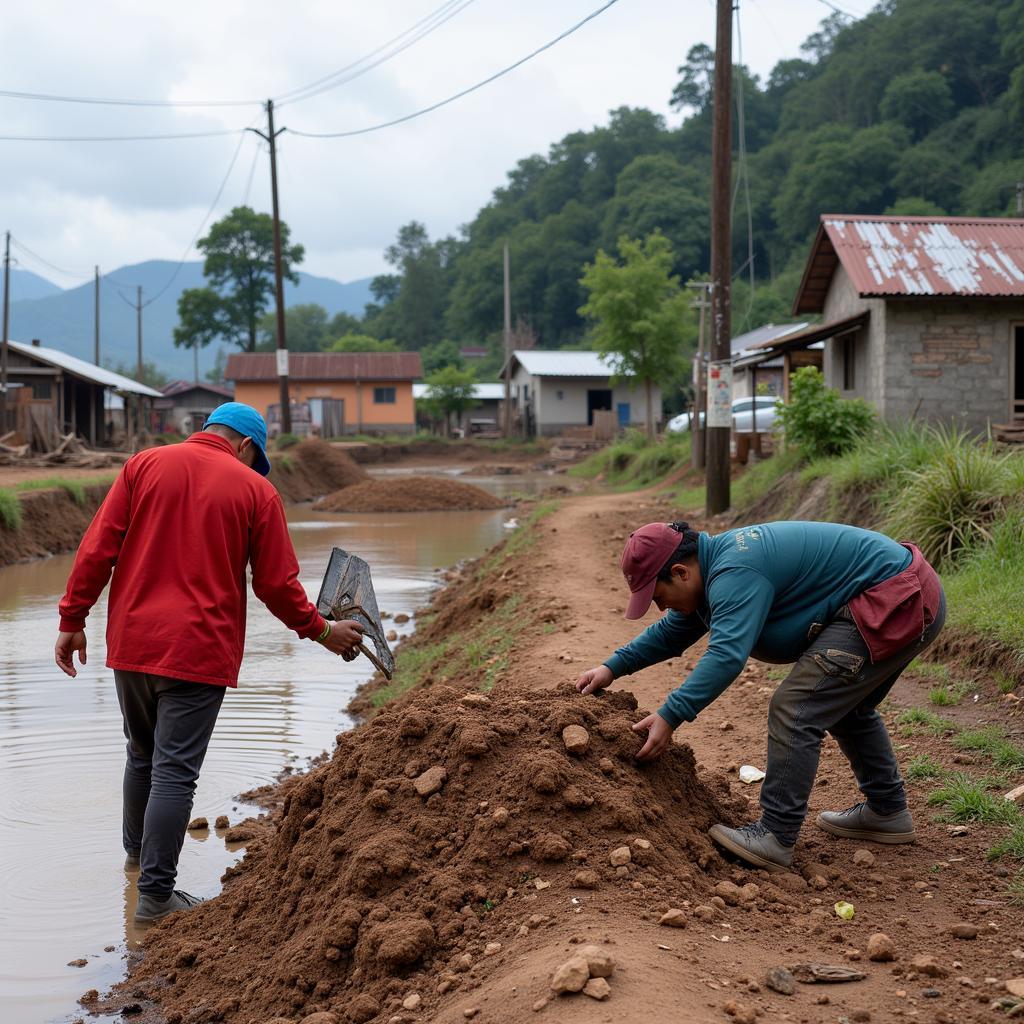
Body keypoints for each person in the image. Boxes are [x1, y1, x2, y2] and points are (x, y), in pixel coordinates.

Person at [55, 403, 365, 922]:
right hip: (198, 649)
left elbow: (97, 549)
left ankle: (137, 862)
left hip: (132, 642)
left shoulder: (143, 465)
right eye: (254, 458)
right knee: (174, 773)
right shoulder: (255, 490)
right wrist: (322, 631)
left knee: (141, 754)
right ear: (246, 446)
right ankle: (155, 896)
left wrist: (71, 618)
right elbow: (274, 584)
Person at [575, 520, 945, 873]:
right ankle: (887, 812)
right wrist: (612, 667)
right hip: (898, 590)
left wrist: (671, 714)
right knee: (844, 705)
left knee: (796, 707)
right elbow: (673, 631)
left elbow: (726, 654)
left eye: (658, 596)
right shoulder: (712, 568)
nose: (660, 607)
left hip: (894, 597)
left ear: (680, 573)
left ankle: (775, 835)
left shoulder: (735, 573)